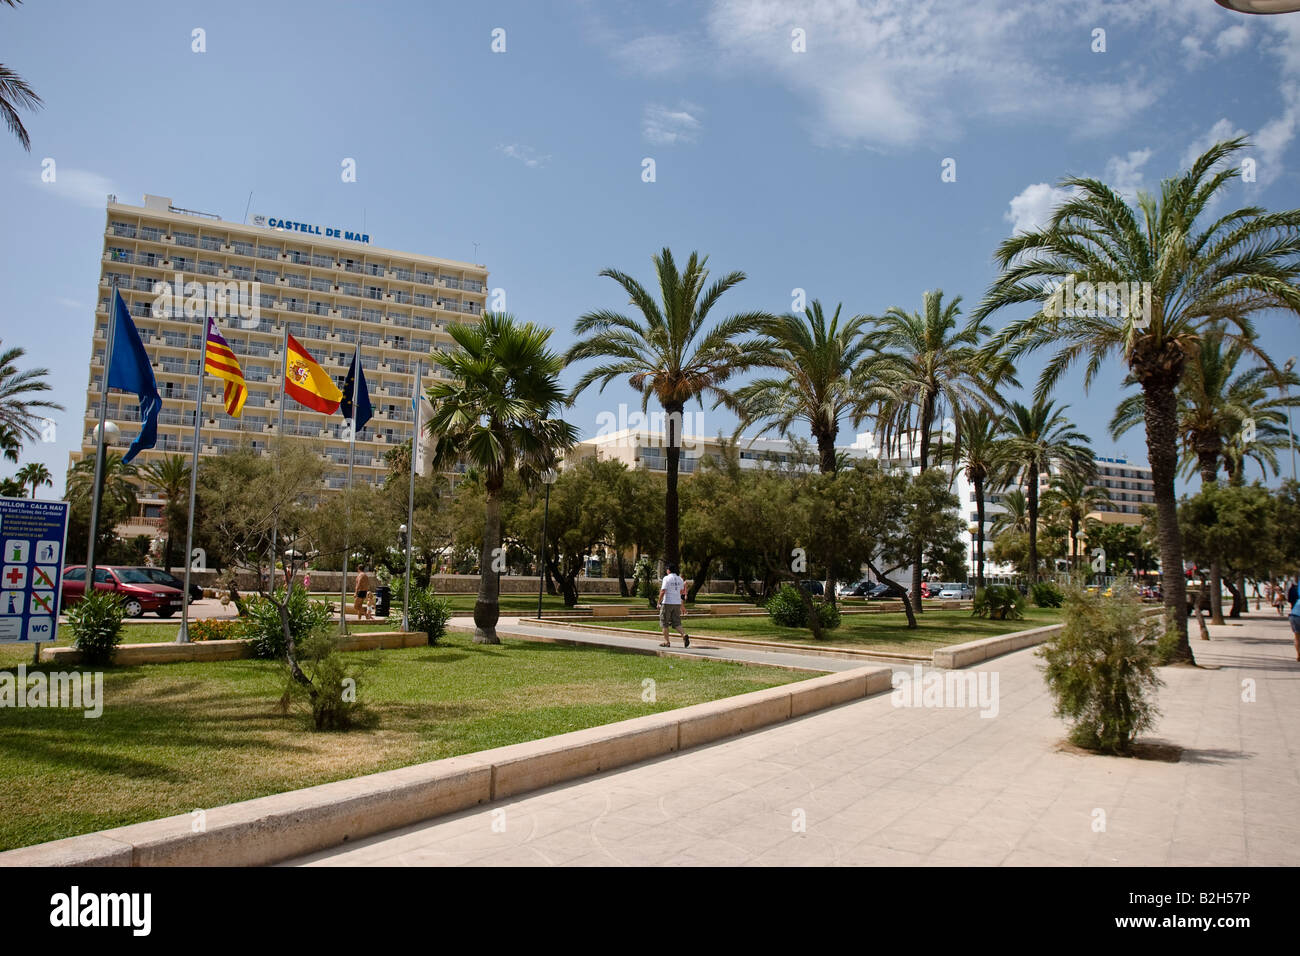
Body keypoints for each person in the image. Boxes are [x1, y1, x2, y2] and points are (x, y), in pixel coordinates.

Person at [658, 563, 689, 648]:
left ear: (668, 570)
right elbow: (682, 591)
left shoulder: (666, 578)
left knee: (664, 623)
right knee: (677, 623)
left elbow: (663, 591)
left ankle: (667, 642)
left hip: (667, 602)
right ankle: (684, 635)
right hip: (677, 603)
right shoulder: (680, 579)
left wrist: (658, 602)